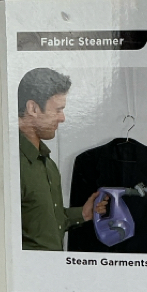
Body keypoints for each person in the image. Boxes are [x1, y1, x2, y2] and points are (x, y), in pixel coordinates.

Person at [17, 68, 104, 251]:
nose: (62, 118)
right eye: (58, 110)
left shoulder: (47, 164)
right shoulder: (12, 164)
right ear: (33, 108)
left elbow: (47, 225)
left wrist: (83, 213)